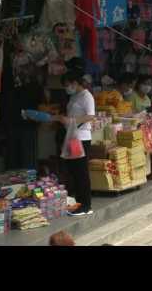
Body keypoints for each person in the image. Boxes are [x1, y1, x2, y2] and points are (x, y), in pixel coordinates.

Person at [53, 71, 95, 216]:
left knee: (81, 172)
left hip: (82, 138)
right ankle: (79, 202)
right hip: (72, 137)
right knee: (74, 171)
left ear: (75, 83)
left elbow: (91, 116)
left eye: (67, 85)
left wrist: (72, 121)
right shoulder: (74, 96)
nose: (66, 88)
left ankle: (86, 205)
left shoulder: (86, 96)